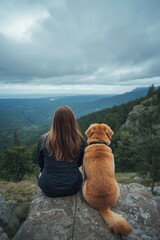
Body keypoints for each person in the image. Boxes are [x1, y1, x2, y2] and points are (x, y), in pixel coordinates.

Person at [36, 105, 86, 198]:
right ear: (72, 121)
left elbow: (41, 164)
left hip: (48, 188)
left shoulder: (43, 140)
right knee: (79, 169)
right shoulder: (80, 141)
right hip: (73, 187)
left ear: (54, 121)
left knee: (42, 171)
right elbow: (79, 164)